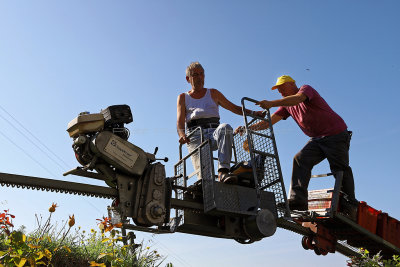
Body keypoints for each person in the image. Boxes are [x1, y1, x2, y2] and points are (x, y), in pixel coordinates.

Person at [236, 75, 355, 211]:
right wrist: (247, 128)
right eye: (278, 90)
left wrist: (271, 103)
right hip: (317, 139)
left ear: (292, 84)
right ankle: (298, 201)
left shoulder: (305, 89)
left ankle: (349, 205)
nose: (280, 91)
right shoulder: (286, 107)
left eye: (282, 87)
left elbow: (297, 99)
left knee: (340, 169)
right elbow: (268, 123)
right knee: (300, 159)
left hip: (336, 134)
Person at [176, 62, 263, 183]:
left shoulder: (213, 93)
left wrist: (253, 113)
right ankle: (205, 184)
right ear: (188, 78)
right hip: (195, 136)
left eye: (202, 74)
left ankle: (223, 172)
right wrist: (181, 135)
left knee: (225, 128)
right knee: (205, 178)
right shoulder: (183, 97)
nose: (199, 77)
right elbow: (180, 121)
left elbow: (234, 108)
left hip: (213, 132)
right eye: (195, 75)